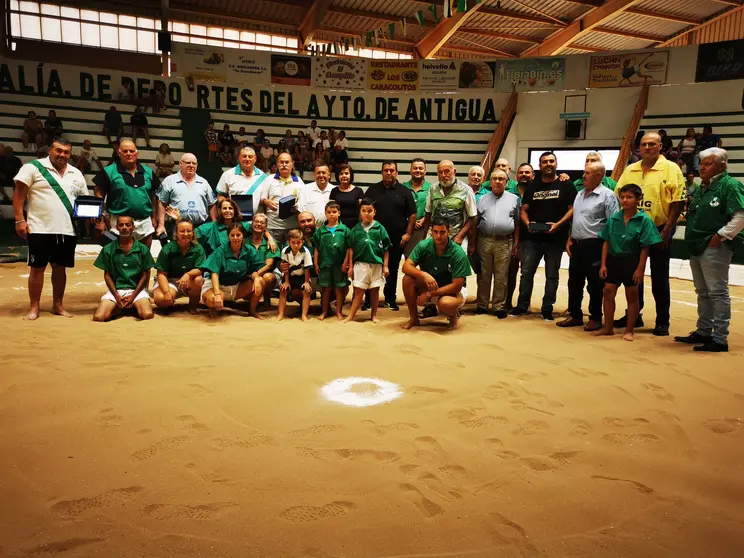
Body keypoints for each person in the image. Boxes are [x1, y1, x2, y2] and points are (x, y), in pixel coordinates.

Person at [614, 132, 685, 336]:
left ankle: (663, 320)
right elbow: (621, 198)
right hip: (634, 230)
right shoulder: (630, 169)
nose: (647, 147)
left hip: (659, 228)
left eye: (652, 144)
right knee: (635, 276)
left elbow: (677, 201)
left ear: (660, 146)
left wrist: (667, 230)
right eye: (644, 144)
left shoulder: (671, 168)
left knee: (659, 277)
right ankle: (634, 316)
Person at [675, 148, 744, 352]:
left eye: (708, 164)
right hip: (696, 244)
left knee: (717, 291)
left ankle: (720, 338)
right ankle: (704, 330)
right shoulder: (702, 187)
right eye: (702, 163)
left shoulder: (730, 186)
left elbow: (740, 216)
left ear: (722, 165)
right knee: (702, 291)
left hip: (714, 244)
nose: (702, 167)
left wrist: (720, 235)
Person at [13, 138, 88, 320]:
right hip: (39, 227)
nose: (62, 155)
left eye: (66, 152)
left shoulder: (76, 173)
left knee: (60, 268)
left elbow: (84, 200)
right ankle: (34, 308)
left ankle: (58, 306)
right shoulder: (33, 168)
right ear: (50, 151)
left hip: (67, 229)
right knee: (37, 268)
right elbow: (19, 194)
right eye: (59, 150)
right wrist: (19, 220)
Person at [557, 161, 620, 331]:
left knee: (594, 284)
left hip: (596, 245)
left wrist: (607, 250)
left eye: (587, 173)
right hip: (578, 244)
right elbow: (577, 218)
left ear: (599, 176)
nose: (583, 176)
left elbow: (613, 224)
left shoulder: (608, 196)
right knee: (574, 282)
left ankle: (595, 318)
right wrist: (571, 236)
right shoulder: (579, 194)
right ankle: (575, 315)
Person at [594, 184, 661, 341]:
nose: (625, 200)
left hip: (632, 261)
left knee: (632, 295)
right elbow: (606, 242)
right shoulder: (614, 218)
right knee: (608, 291)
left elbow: (645, 247)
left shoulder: (644, 220)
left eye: (629, 197)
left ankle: (629, 330)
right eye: (622, 197)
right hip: (613, 260)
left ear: (638, 199)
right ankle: (608, 327)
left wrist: (640, 269)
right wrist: (603, 264)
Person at [512, 152, 575, 320]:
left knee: (552, 275)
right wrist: (527, 224)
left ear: (556, 163)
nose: (548, 164)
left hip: (555, 239)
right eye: (544, 162)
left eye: (551, 161)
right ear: (539, 166)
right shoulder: (532, 186)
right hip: (532, 239)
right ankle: (522, 305)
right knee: (526, 273)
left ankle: (547, 307)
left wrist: (558, 225)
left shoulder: (566, 184)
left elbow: (572, 209)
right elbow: (524, 210)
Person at [402, 219, 472, 331]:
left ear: (448, 232)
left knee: (445, 304)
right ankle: (414, 318)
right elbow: (406, 267)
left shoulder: (458, 253)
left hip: (453, 291)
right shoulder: (423, 245)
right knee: (407, 279)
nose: (438, 236)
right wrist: (424, 275)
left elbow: (456, 286)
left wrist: (429, 294)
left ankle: (453, 315)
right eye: (435, 232)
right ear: (431, 232)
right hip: (433, 283)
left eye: (442, 232)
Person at [365, 161, 417, 311]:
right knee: (371, 267)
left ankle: (390, 299)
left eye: (392, 170)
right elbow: (364, 211)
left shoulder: (404, 191)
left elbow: (412, 214)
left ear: (397, 172)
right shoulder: (372, 190)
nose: (389, 173)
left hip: (396, 239)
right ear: (381, 172)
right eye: (386, 170)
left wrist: (408, 233)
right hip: (373, 238)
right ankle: (369, 300)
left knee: (392, 269)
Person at [93, 139, 160, 248]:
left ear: (137, 153)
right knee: (120, 259)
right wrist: (100, 220)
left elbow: (153, 196)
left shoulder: (148, 172)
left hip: (145, 222)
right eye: (125, 151)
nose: (128, 154)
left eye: (131, 151)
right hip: (119, 223)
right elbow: (98, 193)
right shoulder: (109, 171)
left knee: (143, 259)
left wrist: (153, 217)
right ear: (119, 153)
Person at [472, 169, 519, 318]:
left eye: (501, 179)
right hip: (484, 240)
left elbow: (517, 223)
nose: (498, 181)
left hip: (504, 242)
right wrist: (473, 244)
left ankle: (499, 306)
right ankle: (482, 305)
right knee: (483, 274)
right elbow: (475, 222)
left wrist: (516, 243)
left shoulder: (514, 199)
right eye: (495, 179)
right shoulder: (482, 199)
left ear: (506, 181)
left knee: (501, 275)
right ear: (490, 181)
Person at [92, 215, 155, 322]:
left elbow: (145, 275)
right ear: (116, 228)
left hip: (137, 291)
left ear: (133, 227)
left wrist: (133, 296)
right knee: (99, 317)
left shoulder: (142, 249)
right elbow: (107, 275)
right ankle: (123, 307)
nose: (124, 227)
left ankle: (130, 306)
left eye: (128, 225)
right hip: (116, 291)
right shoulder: (108, 249)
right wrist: (116, 296)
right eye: (121, 225)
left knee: (147, 314)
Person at [200, 222, 265, 318]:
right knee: (213, 299)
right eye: (232, 235)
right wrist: (217, 293)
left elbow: (253, 270)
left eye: (238, 235)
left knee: (261, 281)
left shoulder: (249, 250)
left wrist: (256, 279)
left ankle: (252, 311)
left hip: (236, 287)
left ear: (243, 236)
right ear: (228, 236)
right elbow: (214, 274)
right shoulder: (221, 250)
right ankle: (213, 310)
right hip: (217, 286)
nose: (235, 238)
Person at [344, 198, 391, 324]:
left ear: (374, 212)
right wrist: (350, 266)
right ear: (360, 212)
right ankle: (351, 316)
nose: (366, 213)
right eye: (363, 211)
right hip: (361, 264)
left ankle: (373, 315)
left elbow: (386, 248)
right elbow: (351, 248)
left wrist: (385, 266)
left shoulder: (380, 228)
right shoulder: (355, 229)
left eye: (369, 211)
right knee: (359, 291)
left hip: (376, 264)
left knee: (375, 291)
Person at [152, 218, 206, 314]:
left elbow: (200, 269)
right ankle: (169, 301)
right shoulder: (167, 249)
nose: (186, 234)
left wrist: (188, 274)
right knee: (162, 299)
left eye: (189, 231)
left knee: (198, 280)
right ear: (176, 233)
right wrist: (166, 292)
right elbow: (161, 274)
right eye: (182, 231)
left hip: (188, 281)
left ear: (193, 233)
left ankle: (193, 306)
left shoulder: (198, 248)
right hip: (169, 281)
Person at [422, 160, 477, 252]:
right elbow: (428, 214)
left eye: (447, 171)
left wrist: (460, 237)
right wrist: (424, 238)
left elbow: (473, 217)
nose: (443, 175)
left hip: (457, 238)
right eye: (440, 172)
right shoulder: (433, 189)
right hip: (434, 236)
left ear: (454, 171)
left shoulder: (466, 190)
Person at [157, 153, 216, 237]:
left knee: (199, 250)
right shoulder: (169, 181)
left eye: (194, 163)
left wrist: (214, 224)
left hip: (200, 227)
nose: (191, 165)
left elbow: (212, 204)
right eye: (188, 163)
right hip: (177, 226)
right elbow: (162, 203)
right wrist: (161, 225)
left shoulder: (204, 182)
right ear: (181, 163)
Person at [313, 201, 351, 321]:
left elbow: (349, 248)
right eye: (329, 212)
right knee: (326, 289)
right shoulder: (320, 231)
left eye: (334, 212)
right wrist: (315, 262)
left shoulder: (344, 230)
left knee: (339, 289)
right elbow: (317, 248)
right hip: (325, 264)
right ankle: (324, 311)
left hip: (340, 265)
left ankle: (339, 311)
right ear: (325, 214)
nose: (332, 215)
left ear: (339, 213)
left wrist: (346, 262)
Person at [259, 152, 306, 245]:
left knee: (290, 257)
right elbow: (262, 199)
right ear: (277, 164)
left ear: (292, 164)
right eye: (281, 162)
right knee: (273, 256)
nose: (284, 165)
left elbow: (304, 202)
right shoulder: (269, 179)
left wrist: (297, 207)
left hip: (293, 226)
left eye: (287, 162)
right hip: (273, 227)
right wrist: (267, 201)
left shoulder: (299, 181)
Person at [506, 163, 533, 311]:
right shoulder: (509, 192)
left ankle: (524, 303)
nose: (524, 175)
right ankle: (507, 301)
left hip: (531, 238)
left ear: (533, 175)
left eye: (527, 173)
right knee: (511, 271)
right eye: (521, 172)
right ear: (517, 176)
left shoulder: (537, 191)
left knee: (527, 272)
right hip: (511, 237)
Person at [215, 146, 267, 217]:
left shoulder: (263, 177)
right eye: (244, 156)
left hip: (256, 222)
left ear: (255, 159)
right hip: (233, 219)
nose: (247, 159)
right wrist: (227, 206)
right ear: (239, 158)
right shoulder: (227, 174)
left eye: (250, 156)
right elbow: (220, 196)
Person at [278, 229, 313, 321]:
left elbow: (307, 268)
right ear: (289, 242)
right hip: (289, 275)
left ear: (302, 242)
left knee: (306, 291)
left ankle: (304, 315)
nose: (296, 245)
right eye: (293, 242)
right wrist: (286, 281)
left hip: (302, 276)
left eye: (299, 242)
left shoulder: (305, 252)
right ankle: (281, 314)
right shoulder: (285, 251)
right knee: (283, 290)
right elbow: (285, 267)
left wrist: (306, 282)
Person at [248, 213, 280, 308]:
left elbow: (269, 265)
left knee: (268, 277)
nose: (258, 224)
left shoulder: (271, 244)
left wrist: (255, 275)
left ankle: (266, 301)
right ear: (252, 223)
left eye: (262, 222)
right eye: (256, 221)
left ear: (265, 226)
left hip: (266, 272)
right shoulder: (245, 241)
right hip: (248, 271)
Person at [403, 158, 432, 259]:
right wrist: (410, 221)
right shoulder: (403, 187)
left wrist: (424, 220)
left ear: (425, 171)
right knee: (409, 260)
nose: (418, 170)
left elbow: (433, 207)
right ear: (410, 170)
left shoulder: (431, 188)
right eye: (415, 168)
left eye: (420, 168)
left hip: (424, 229)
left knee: (425, 260)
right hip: (407, 228)